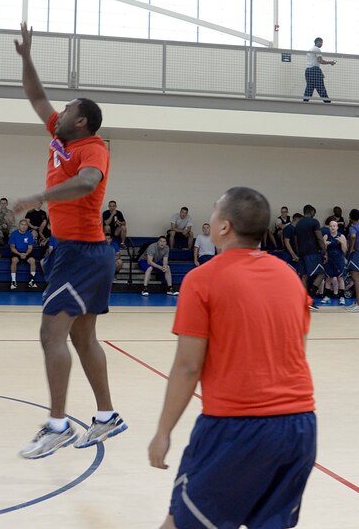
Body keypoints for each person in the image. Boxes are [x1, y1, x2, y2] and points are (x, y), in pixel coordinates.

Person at [148, 186, 316, 529]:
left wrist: (163, 432)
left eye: (213, 212)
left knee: (180, 523)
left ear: (224, 227)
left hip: (236, 427)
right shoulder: (289, 277)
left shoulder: (202, 279)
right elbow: (297, 349)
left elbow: (188, 366)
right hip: (299, 427)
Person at [13, 22, 126, 459]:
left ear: (81, 120)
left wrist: (40, 197)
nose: (55, 113)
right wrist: (26, 58)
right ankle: (106, 417)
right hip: (82, 252)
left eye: (66, 109)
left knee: (50, 332)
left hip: (81, 251)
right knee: (81, 339)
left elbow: (87, 183)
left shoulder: (93, 147)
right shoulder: (61, 133)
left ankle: (57, 425)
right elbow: (36, 96)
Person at [294, 204, 327, 301]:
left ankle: (304, 300)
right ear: (312, 212)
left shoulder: (298, 223)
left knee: (304, 276)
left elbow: (295, 239)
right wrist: (324, 251)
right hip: (312, 252)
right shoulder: (314, 222)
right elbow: (319, 238)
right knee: (321, 274)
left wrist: (298, 251)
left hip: (301, 253)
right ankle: (310, 298)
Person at [319, 220, 347, 305]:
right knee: (328, 278)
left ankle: (342, 297)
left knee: (340, 278)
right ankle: (327, 296)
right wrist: (325, 245)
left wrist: (342, 242)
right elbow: (323, 251)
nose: (332, 227)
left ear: (337, 227)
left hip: (339, 259)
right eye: (331, 226)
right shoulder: (326, 236)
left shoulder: (342, 236)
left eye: (334, 226)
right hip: (329, 260)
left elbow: (345, 250)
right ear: (329, 227)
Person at [303, 37, 336, 102]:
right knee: (321, 88)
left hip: (308, 71)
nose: (322, 44)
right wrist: (330, 62)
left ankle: (304, 103)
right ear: (318, 42)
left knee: (309, 88)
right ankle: (327, 103)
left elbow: (314, 62)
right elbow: (320, 61)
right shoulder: (317, 49)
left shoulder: (310, 49)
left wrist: (320, 73)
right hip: (314, 71)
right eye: (321, 42)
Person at [8, 219, 37, 290]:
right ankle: (13, 281)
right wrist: (19, 254)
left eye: (25, 225)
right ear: (19, 225)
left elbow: (30, 248)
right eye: (22, 224)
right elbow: (12, 248)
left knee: (32, 261)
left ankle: (32, 281)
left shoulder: (29, 235)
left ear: (27, 226)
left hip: (26, 252)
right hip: (16, 252)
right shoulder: (14, 234)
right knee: (14, 260)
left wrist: (26, 254)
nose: (24, 226)